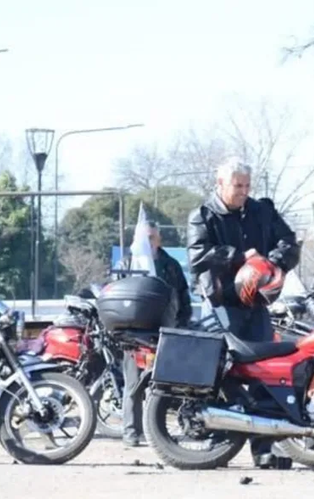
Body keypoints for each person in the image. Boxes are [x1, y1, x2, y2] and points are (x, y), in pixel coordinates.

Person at [186, 156, 301, 469]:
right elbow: (198, 256)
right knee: (222, 369)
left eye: (247, 186)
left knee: (267, 369)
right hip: (222, 301)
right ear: (220, 184)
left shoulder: (262, 209)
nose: (243, 191)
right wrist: (241, 258)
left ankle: (264, 448)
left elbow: (289, 241)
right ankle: (217, 440)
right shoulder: (202, 214)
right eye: (238, 185)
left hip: (257, 303)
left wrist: (272, 262)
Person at [117, 220, 193, 448]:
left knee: (167, 384)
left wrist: (182, 324)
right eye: (144, 238)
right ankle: (131, 432)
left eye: (152, 237)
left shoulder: (170, 265)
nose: (148, 242)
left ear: (159, 240)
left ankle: (163, 432)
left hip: (165, 331)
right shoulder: (127, 263)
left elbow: (183, 295)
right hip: (134, 334)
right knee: (133, 385)